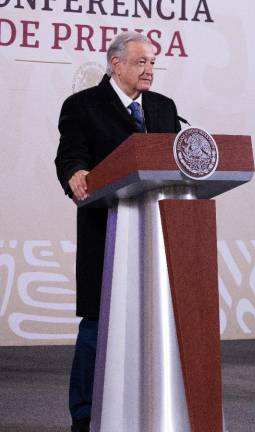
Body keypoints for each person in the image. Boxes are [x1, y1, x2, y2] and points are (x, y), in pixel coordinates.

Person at [54, 31, 181, 432]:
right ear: (116, 64)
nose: (149, 70)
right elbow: (70, 155)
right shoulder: (83, 106)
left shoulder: (163, 107)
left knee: (155, 323)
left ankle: (146, 408)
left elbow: (174, 161)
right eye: (141, 62)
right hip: (107, 229)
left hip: (158, 231)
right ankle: (85, 414)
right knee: (98, 325)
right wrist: (76, 173)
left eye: (152, 63)